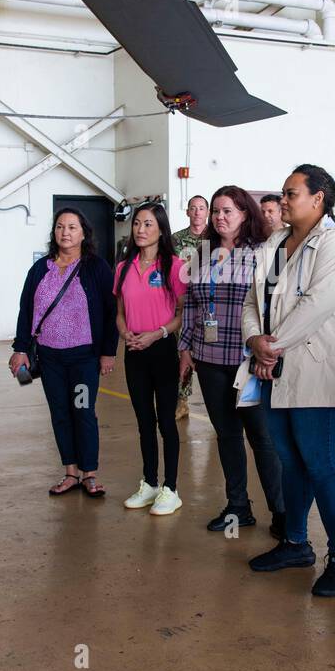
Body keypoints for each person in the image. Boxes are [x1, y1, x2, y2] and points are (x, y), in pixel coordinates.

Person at [240, 165, 335, 597]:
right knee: (290, 461)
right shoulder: (275, 243)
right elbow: (253, 300)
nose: (283, 201)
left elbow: (317, 305)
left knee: (319, 461)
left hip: (313, 369)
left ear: (319, 199)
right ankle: (295, 543)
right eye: (283, 194)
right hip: (272, 368)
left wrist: (270, 348)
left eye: (292, 194)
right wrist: (255, 339)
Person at [178, 186, 286, 537]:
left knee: (261, 437)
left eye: (228, 211)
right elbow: (191, 304)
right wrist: (185, 349)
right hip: (209, 359)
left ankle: (282, 511)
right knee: (226, 435)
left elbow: (275, 308)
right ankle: (238, 506)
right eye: (215, 212)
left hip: (248, 361)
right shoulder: (203, 252)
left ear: (245, 214)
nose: (219, 217)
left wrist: (268, 352)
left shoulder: (264, 252)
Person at [11, 208, 119, 499]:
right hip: (50, 359)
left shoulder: (96, 268)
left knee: (82, 411)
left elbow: (111, 313)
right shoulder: (39, 269)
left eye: (72, 227)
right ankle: (70, 472)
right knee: (60, 413)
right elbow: (27, 311)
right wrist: (20, 349)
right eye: (60, 227)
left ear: (84, 233)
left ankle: (90, 474)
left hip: (84, 358)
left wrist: (108, 352)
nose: (65, 232)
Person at [115, 202, 188, 515]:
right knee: (144, 422)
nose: (140, 230)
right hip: (134, 352)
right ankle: (150, 483)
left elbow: (182, 313)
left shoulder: (173, 266)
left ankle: (171, 489)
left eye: (147, 224)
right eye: (136, 224)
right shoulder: (123, 267)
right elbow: (119, 313)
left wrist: (157, 333)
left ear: (161, 229)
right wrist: (125, 333)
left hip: (162, 349)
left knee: (166, 422)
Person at [172, 195, 208, 420]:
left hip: (207, 304)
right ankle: (182, 400)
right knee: (181, 353)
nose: (197, 212)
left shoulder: (216, 238)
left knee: (208, 356)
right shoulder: (176, 240)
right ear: (187, 212)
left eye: (201, 208)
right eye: (193, 208)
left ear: (207, 212)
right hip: (182, 304)